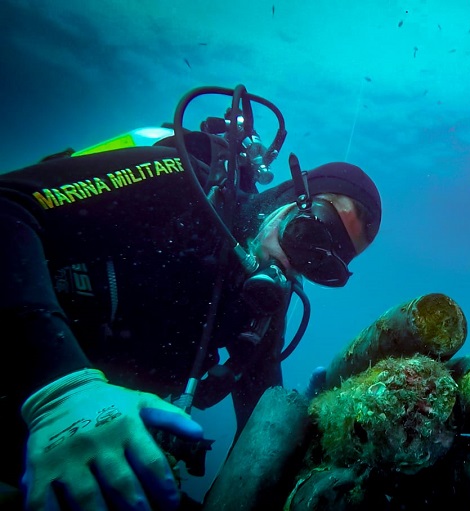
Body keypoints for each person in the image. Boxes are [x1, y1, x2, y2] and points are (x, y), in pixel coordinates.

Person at [0, 86, 382, 510]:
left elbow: (259, 427)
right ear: (288, 197)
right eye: (307, 234)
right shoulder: (182, 183)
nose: (295, 265)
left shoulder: (261, 311)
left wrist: (312, 423)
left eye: (322, 266)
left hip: (47, 454)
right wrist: (61, 389)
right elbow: (8, 203)